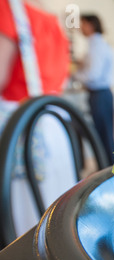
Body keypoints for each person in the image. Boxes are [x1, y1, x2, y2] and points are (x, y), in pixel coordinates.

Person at [0, 0, 76, 237]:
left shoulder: (6, 9)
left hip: (20, 129)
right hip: (52, 126)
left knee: (23, 216)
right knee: (53, 209)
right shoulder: (52, 20)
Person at [75, 14, 114, 165]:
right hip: (103, 94)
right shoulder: (99, 44)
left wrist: (74, 75)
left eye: (82, 24)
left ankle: (108, 170)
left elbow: (93, 75)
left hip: (100, 95)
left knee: (103, 135)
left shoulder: (96, 46)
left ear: (90, 25)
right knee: (105, 134)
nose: (80, 27)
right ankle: (107, 168)